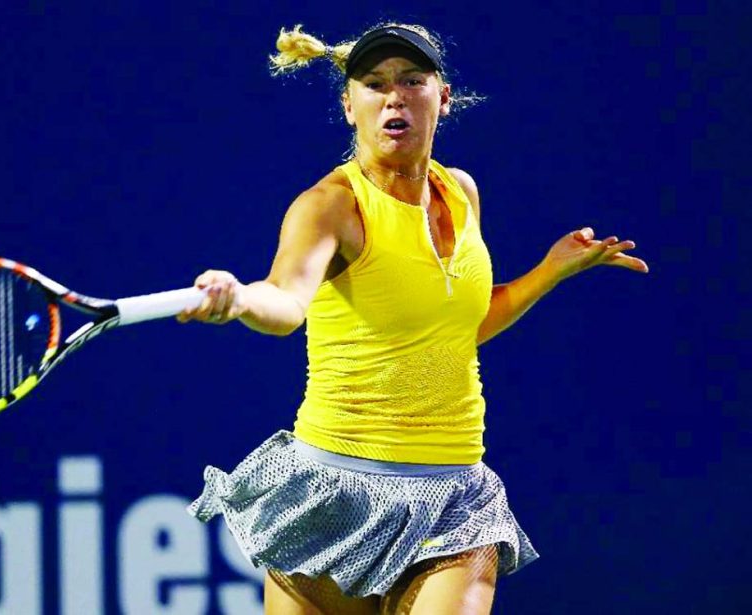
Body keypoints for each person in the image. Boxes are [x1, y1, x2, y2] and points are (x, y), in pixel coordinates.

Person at [179, 23, 649, 615]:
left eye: (411, 81)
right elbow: (285, 302)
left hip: (456, 494)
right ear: (350, 107)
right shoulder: (329, 206)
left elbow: (454, 330)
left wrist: (548, 272)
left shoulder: (461, 192)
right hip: (336, 490)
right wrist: (242, 299)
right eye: (374, 85)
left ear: (442, 97)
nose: (394, 97)